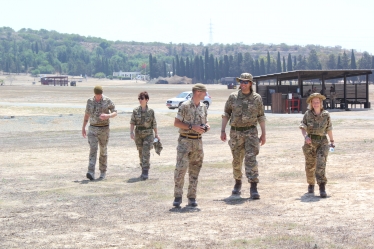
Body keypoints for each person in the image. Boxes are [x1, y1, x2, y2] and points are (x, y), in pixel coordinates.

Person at [220, 73, 266, 199]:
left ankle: (253, 187)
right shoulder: (233, 97)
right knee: (237, 159)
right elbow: (226, 113)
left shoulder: (257, 98)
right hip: (236, 133)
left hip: (251, 132)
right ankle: (237, 182)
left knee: (251, 159)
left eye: (246, 82)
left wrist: (263, 134)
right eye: (241, 81)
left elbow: (261, 116)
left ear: (251, 83)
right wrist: (222, 130)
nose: (243, 84)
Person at [172, 83, 210, 208]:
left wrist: (206, 127)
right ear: (198, 92)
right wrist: (192, 127)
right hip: (185, 141)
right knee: (181, 170)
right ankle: (178, 197)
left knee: (195, 170)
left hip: (198, 143)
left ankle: (192, 197)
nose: (206, 94)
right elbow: (177, 123)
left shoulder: (203, 107)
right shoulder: (185, 106)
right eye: (205, 92)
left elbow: (205, 121)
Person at [299, 93, 335, 198]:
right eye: (314, 102)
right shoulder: (307, 114)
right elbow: (303, 127)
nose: (316, 104)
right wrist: (306, 137)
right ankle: (311, 184)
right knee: (310, 166)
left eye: (317, 102)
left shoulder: (326, 115)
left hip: (322, 142)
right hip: (310, 143)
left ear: (321, 103)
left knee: (321, 164)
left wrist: (332, 141)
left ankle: (322, 187)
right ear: (311, 103)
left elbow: (329, 129)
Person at [82, 86, 117, 180]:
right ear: (94, 94)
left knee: (103, 150)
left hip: (104, 129)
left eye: (99, 95)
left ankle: (102, 172)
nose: (98, 97)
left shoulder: (107, 100)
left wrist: (108, 115)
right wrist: (83, 127)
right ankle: (90, 172)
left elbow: (115, 112)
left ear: (101, 94)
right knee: (93, 149)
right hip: (92, 128)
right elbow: (86, 114)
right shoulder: (90, 101)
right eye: (96, 95)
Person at [130, 91, 160, 180]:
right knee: (140, 152)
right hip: (138, 134)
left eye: (142, 98)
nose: (140, 100)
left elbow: (154, 124)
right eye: (139, 98)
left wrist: (156, 135)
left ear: (147, 100)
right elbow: (132, 122)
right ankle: (143, 168)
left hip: (148, 134)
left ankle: (145, 172)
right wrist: (131, 132)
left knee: (146, 151)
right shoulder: (135, 111)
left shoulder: (151, 111)